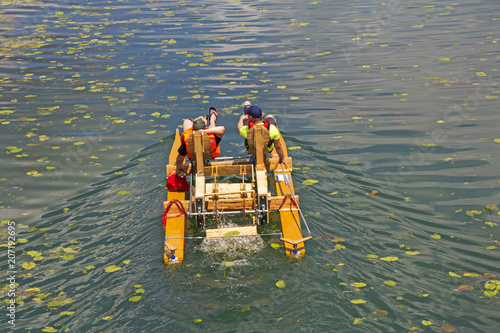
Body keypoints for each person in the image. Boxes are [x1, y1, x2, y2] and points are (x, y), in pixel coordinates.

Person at [176, 107, 225, 175]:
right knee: (212, 126)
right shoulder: (213, 136)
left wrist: (177, 170)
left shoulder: (187, 140)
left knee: (186, 122)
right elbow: (222, 129)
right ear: (205, 128)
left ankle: (192, 121)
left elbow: (180, 158)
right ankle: (212, 117)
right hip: (210, 155)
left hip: (193, 156)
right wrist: (204, 132)